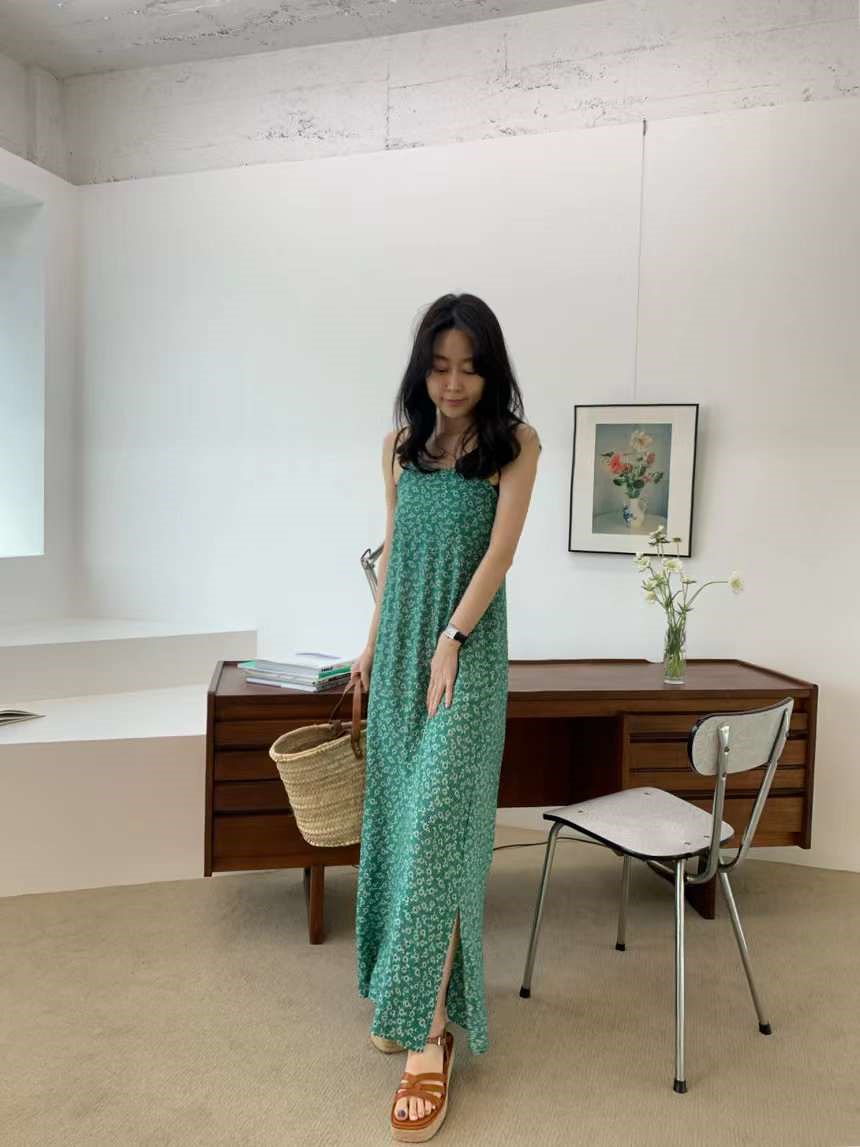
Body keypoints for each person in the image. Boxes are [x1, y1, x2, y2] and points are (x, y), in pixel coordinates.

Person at [350, 292, 541, 1140]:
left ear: (490, 371)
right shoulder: (399, 449)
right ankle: (410, 997)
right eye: (439, 366)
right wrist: (369, 644)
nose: (454, 383)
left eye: (469, 367)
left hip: (466, 656)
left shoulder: (516, 445)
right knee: (401, 825)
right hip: (400, 655)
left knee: (438, 832)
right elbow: (393, 552)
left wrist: (452, 639)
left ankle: (429, 1042)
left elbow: (500, 553)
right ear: (421, 369)